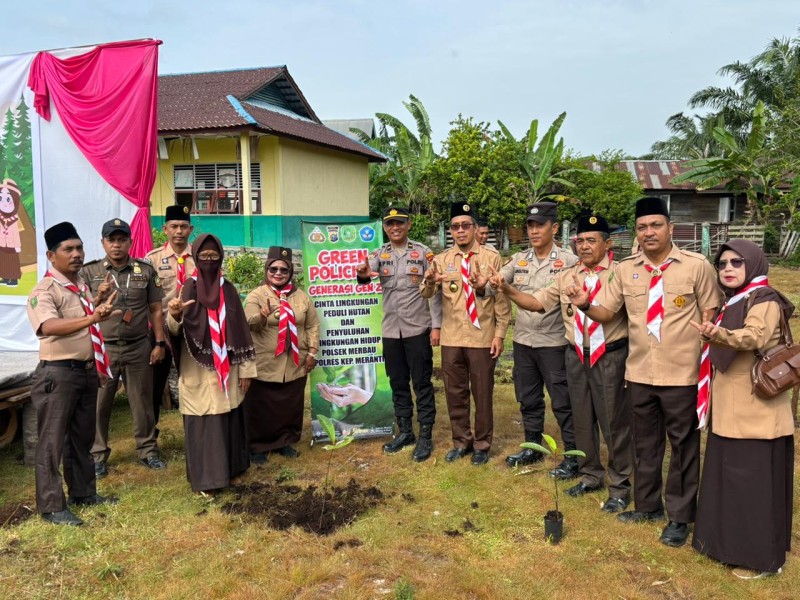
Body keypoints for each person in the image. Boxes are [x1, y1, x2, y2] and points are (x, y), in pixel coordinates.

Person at [566, 197, 722, 547]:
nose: (649, 232)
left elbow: (711, 312)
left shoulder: (696, 266)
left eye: (655, 225)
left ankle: (680, 516)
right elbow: (607, 312)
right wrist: (585, 304)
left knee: (683, 447)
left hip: (681, 374)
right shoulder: (626, 270)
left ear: (670, 227)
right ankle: (648, 504)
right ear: (635, 233)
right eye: (642, 227)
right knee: (645, 445)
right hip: (638, 373)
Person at [491, 214, 632, 512]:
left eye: (591, 240)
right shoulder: (567, 275)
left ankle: (620, 486)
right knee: (581, 418)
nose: (584, 246)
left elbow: (606, 314)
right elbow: (537, 303)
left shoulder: (619, 273)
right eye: (580, 241)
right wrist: (508, 290)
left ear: (607, 244)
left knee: (612, 422)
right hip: (576, 354)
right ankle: (590, 474)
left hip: (609, 355)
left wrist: (585, 304)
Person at [690, 239, 794, 578]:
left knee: (751, 486)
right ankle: (725, 545)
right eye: (722, 264)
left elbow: (755, 338)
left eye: (737, 262)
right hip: (734, 409)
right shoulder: (735, 299)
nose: (728, 269)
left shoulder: (763, 299)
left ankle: (761, 560)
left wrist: (716, 333)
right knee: (731, 481)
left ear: (754, 264)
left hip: (755, 413)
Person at [26, 222, 120, 525]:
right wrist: (93, 316)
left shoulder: (78, 284)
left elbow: (82, 318)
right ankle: (52, 506)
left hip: (85, 371)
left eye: (79, 247)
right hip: (57, 375)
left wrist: (98, 304)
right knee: (51, 443)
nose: (77, 254)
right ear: (51, 256)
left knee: (81, 438)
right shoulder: (44, 290)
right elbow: (48, 327)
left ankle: (83, 493)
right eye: (69, 249)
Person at [488, 202, 579, 478]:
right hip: (525, 342)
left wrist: (506, 287)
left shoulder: (569, 261)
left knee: (563, 401)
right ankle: (533, 447)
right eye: (530, 225)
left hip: (554, 343)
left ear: (554, 228)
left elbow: (546, 302)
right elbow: (499, 279)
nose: (534, 230)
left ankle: (573, 455)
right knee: (528, 398)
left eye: (540, 225)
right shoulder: (519, 259)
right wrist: (488, 281)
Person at [420, 201, 510, 465]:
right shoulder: (442, 260)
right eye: (455, 227)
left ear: (474, 228)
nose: (460, 231)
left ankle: (482, 444)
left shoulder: (491, 257)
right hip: (452, 337)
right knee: (454, 392)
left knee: (482, 392)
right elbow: (428, 295)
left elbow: (501, 299)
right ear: (451, 230)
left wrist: (500, 334)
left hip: (482, 337)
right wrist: (428, 280)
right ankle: (461, 441)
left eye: (465, 226)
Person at [167, 234, 256, 493]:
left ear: (220, 257)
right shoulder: (187, 288)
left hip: (229, 369)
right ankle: (207, 480)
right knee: (204, 423)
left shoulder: (228, 289)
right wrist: (174, 315)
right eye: (203, 256)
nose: (208, 260)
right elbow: (173, 330)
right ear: (195, 257)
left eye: (213, 256)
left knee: (230, 419)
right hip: (198, 369)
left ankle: (232, 471)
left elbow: (241, 331)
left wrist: (247, 370)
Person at [81, 219, 167, 477]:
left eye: (121, 239)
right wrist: (98, 297)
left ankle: (148, 451)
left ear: (130, 241)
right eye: (111, 240)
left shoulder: (145, 270)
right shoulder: (89, 272)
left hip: (138, 346)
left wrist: (159, 342)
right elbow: (82, 311)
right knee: (99, 404)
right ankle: (97, 456)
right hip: (104, 350)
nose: (116, 245)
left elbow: (155, 309)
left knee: (142, 402)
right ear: (103, 242)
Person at [356, 206, 441, 462]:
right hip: (392, 331)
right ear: (385, 227)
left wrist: (436, 326)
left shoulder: (424, 252)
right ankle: (406, 431)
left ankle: (425, 435)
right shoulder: (379, 254)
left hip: (417, 328)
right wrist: (362, 275)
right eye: (390, 224)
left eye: (400, 223)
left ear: (408, 225)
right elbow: (365, 273)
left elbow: (435, 292)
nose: (395, 228)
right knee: (398, 383)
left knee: (422, 383)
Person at [244, 247, 320, 463]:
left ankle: (284, 442)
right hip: (266, 361)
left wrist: (312, 352)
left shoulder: (301, 297)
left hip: (294, 361)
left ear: (290, 272)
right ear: (267, 270)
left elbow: (312, 324)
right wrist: (261, 315)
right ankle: (258, 446)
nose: (278, 273)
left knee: (289, 404)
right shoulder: (257, 295)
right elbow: (249, 323)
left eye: (284, 270)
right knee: (261, 405)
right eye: (274, 269)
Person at [145, 205, 196, 427]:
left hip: (192, 329)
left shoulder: (200, 257)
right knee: (154, 385)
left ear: (190, 229)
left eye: (183, 226)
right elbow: (146, 299)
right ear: (164, 229)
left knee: (195, 382)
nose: (179, 231)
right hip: (160, 331)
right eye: (174, 226)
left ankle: (195, 431)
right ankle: (150, 437)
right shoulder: (152, 260)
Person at [0, 178, 23, 287]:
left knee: (12, 262)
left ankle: (13, 279)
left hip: (12, 246)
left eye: (8, 199)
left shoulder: (14, 220)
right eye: (1, 198)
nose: (4, 203)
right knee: (3, 260)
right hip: (1, 244)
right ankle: (5, 276)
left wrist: (17, 246)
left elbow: (15, 234)